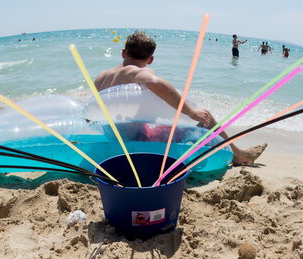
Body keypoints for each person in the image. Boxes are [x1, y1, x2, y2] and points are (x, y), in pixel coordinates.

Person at [94, 30, 266, 165]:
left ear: (124, 53)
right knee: (205, 117)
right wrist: (191, 112)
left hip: (115, 141)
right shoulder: (139, 71)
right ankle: (238, 155)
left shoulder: (102, 76)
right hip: (140, 141)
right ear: (151, 59)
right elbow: (156, 83)